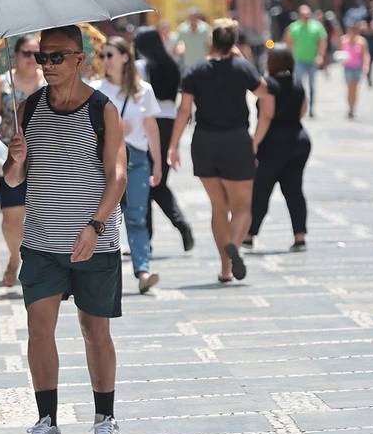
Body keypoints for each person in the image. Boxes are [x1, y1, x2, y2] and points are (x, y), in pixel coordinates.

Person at [4, 25, 125, 434]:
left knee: (95, 332)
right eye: (42, 57)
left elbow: (117, 177)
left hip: (94, 243)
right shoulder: (28, 108)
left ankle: (105, 419)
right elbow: (13, 179)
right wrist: (15, 160)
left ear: (79, 59)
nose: (47, 64)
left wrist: (95, 226)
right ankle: (47, 423)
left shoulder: (103, 110)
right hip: (41, 243)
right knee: (39, 330)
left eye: (57, 56)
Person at [168, 19, 273, 283]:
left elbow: (184, 110)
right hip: (236, 141)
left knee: (218, 206)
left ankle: (226, 269)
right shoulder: (241, 67)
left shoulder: (195, 70)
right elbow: (264, 92)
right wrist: (243, 60)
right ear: (233, 43)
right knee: (242, 207)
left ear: (211, 41)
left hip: (204, 143)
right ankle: (233, 247)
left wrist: (173, 145)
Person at [91, 36, 163, 294]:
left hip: (138, 160)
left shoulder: (143, 90)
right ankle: (97, 273)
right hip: (105, 161)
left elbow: (151, 129)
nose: (106, 61)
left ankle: (143, 271)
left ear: (125, 57)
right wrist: (114, 129)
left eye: (110, 55)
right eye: (102, 56)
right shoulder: (94, 89)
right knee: (103, 218)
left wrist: (158, 164)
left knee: (136, 217)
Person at [0, 35, 44, 287]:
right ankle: (16, 257)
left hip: (44, 157)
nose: (32, 59)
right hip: (12, 157)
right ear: (15, 55)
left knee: (41, 214)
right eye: (27, 53)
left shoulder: (49, 82)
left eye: (37, 54)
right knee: (11, 217)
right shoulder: (3, 83)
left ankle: (37, 261)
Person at [243, 45, 311, 252]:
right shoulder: (297, 83)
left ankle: (249, 235)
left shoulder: (269, 85)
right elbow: (302, 111)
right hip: (298, 139)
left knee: (261, 190)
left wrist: (254, 143)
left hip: (274, 142)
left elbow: (267, 115)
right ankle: (300, 236)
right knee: (294, 190)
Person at [133, 26, 194, 253]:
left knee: (146, 182)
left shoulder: (140, 67)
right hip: (169, 122)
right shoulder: (171, 64)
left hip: (149, 124)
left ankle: (148, 238)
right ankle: (176, 226)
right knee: (157, 183)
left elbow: (135, 96)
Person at [284, 5, 327, 117]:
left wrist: (320, 56)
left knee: (312, 85)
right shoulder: (293, 27)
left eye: (308, 15)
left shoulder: (317, 26)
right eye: (304, 15)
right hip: (299, 60)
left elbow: (322, 41)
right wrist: (290, 58)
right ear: (299, 15)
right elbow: (288, 43)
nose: (306, 17)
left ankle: (311, 108)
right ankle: (299, 106)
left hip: (312, 60)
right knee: (298, 84)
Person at [338, 21, 370, 119]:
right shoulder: (343, 40)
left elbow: (365, 54)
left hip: (357, 67)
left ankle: (353, 108)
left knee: (355, 88)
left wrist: (366, 66)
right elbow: (340, 52)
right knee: (350, 87)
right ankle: (350, 108)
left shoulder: (362, 41)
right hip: (348, 67)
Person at [177, 7, 211, 72]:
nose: (192, 19)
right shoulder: (182, 29)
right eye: (191, 17)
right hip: (188, 65)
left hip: (202, 64)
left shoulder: (205, 29)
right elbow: (178, 44)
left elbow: (210, 45)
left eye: (194, 17)